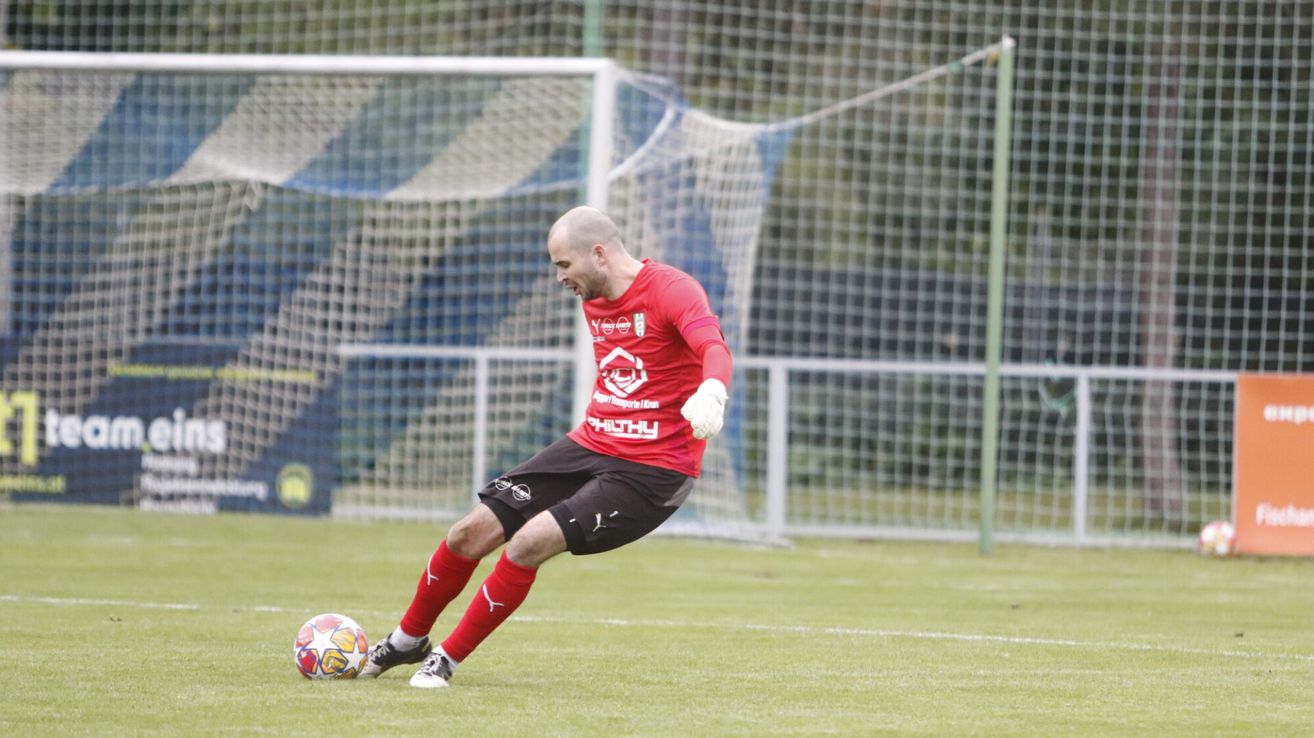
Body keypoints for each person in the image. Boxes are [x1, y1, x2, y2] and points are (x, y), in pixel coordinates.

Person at [359, 205, 733, 688]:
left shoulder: (672, 290)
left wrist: (713, 390)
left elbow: (713, 347)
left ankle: (446, 661)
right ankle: (408, 640)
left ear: (599, 254)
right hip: (592, 442)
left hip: (653, 468)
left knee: (529, 542)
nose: (560, 278)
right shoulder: (594, 295)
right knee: (467, 533)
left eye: (564, 265)